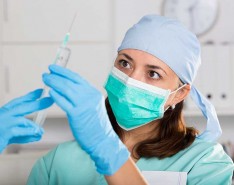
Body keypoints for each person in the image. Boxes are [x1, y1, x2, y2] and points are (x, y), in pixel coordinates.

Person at [27, 15, 234, 185]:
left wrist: (105, 147)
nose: (130, 80)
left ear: (179, 93)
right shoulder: (58, 161)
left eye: (153, 73)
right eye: (125, 63)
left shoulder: (205, 163)